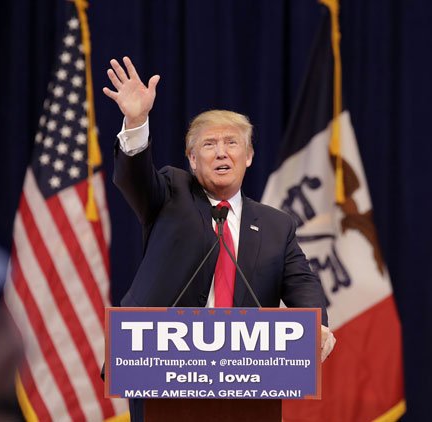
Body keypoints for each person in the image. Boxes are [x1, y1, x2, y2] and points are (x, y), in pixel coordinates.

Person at [103, 57, 336, 421]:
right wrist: (135, 122)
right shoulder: (170, 193)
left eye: (232, 143)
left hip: (247, 379)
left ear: (249, 156)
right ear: (193, 160)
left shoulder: (277, 226)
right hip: (167, 371)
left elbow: (302, 283)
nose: (222, 152)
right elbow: (134, 177)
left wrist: (317, 323)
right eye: (209, 144)